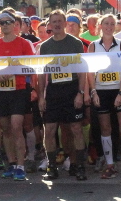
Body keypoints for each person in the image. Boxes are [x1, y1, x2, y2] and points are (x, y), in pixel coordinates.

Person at [37, 10, 88, 181]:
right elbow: (41, 73)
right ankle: (51, 167)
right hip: (53, 91)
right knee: (50, 129)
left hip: (71, 89)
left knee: (76, 128)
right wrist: (41, 96)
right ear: (49, 25)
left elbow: (82, 70)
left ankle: (79, 166)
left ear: (65, 23)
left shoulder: (75, 43)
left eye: (60, 21)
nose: (57, 24)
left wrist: (80, 93)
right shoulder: (45, 46)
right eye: (54, 21)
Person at [88, 14, 121, 179]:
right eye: (106, 24)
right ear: (100, 26)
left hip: (119, 89)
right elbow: (90, 71)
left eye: (111, 24)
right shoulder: (93, 46)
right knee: (105, 128)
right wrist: (93, 91)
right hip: (101, 91)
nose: (109, 27)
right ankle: (110, 166)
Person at [0, 11, 35, 181]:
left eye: (8, 22)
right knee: (5, 128)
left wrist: (14, 71)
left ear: (15, 24)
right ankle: (12, 163)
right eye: (2, 23)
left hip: (18, 90)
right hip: (0, 91)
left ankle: (21, 165)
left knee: (16, 126)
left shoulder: (24, 43)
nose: (5, 25)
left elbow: (31, 66)